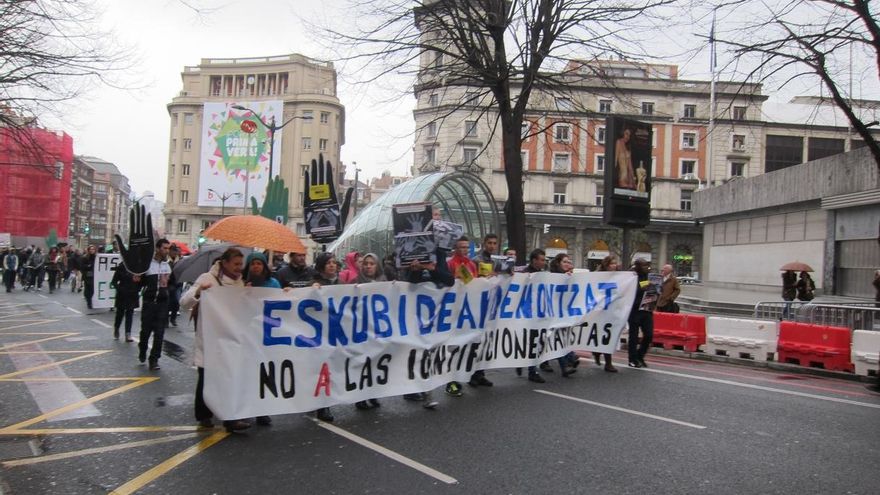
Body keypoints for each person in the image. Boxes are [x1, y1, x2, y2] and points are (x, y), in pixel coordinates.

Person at [179, 247, 251, 432]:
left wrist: (249, 296)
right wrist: (198, 292)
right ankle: (203, 415)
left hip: (231, 337)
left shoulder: (239, 283)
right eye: (236, 264)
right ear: (224, 263)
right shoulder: (207, 278)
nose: (239, 268)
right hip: (210, 338)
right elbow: (184, 302)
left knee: (230, 378)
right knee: (207, 377)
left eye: (241, 264)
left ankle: (230, 418)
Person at [403, 244, 453, 409]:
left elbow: (449, 279)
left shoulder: (439, 253)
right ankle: (413, 388)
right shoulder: (410, 251)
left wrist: (432, 269)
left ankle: (427, 393)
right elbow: (409, 284)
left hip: (433, 315)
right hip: (414, 315)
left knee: (429, 352)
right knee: (416, 352)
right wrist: (416, 270)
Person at [346, 253, 386, 411]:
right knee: (361, 363)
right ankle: (360, 397)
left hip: (377, 330)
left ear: (377, 266)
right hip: (361, 329)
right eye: (365, 263)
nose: (368, 266)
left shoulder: (384, 282)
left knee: (375, 362)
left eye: (372, 263)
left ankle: (372, 394)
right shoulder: (354, 282)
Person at [310, 252, 339, 422]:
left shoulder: (341, 283)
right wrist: (311, 291)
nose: (332, 265)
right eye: (328, 263)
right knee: (322, 367)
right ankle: (323, 406)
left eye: (334, 262)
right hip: (319, 334)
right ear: (321, 266)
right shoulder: (314, 283)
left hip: (336, 332)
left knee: (332, 368)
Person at [138, 239, 173, 371]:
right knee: (145, 331)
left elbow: (172, 283)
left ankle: (154, 359)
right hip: (149, 303)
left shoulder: (167, 266)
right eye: (164, 248)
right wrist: (137, 279)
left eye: (168, 248)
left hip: (162, 304)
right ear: (158, 249)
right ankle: (142, 349)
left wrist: (168, 288)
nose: (167, 251)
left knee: (159, 333)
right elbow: (140, 283)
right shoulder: (148, 265)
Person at [548, 253, 578, 377]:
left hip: (563, 313)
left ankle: (568, 360)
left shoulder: (568, 276)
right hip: (552, 313)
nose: (567, 264)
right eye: (564, 262)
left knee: (560, 338)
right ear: (558, 263)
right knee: (556, 338)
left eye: (568, 262)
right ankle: (568, 360)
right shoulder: (552, 276)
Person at [521, 248, 549, 383]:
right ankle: (529, 369)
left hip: (539, 314)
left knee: (536, 341)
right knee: (530, 341)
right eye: (542, 260)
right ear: (534, 260)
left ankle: (532, 369)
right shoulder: (525, 273)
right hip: (527, 314)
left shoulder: (543, 274)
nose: (544, 262)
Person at [628, 258, 657, 368]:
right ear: (638, 267)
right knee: (633, 337)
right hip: (634, 310)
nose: (646, 268)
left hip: (647, 309)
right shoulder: (632, 277)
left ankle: (640, 356)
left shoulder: (649, 277)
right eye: (643, 265)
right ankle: (632, 359)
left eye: (647, 265)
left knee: (649, 335)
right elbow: (632, 290)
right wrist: (643, 287)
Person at [593, 255, 618, 372]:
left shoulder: (619, 276)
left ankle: (608, 362)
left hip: (611, 310)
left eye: (615, 263)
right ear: (606, 265)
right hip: (600, 310)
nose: (614, 266)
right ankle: (597, 352)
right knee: (600, 334)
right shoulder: (598, 276)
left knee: (609, 336)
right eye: (612, 263)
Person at [110, 265, 140, 341]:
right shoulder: (121, 267)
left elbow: (141, 281)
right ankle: (117, 327)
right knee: (120, 313)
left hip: (132, 294)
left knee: (130, 313)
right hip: (122, 295)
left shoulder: (137, 267)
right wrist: (120, 289)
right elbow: (114, 282)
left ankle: (128, 333)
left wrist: (138, 287)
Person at [166, 244, 183, 327]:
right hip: (168, 284)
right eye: (173, 251)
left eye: (175, 251)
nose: (174, 253)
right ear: (170, 251)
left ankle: (173, 318)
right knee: (167, 302)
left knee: (176, 302)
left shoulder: (180, 260)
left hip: (178, 284)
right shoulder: (166, 260)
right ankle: (165, 320)